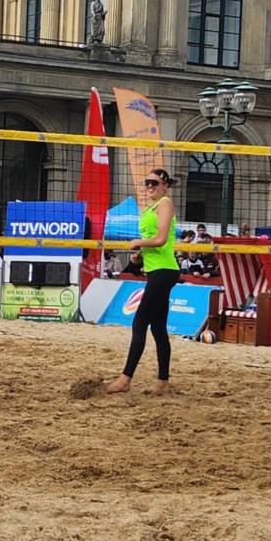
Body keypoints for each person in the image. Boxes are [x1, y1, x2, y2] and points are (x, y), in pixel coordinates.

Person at [107, 168, 181, 396]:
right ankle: (163, 381)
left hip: (165, 270)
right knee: (158, 328)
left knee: (139, 322)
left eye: (154, 183)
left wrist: (137, 241)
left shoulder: (165, 203)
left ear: (165, 186)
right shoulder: (149, 208)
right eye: (146, 183)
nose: (149, 186)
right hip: (156, 269)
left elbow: (160, 239)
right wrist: (139, 255)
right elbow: (155, 244)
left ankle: (125, 379)